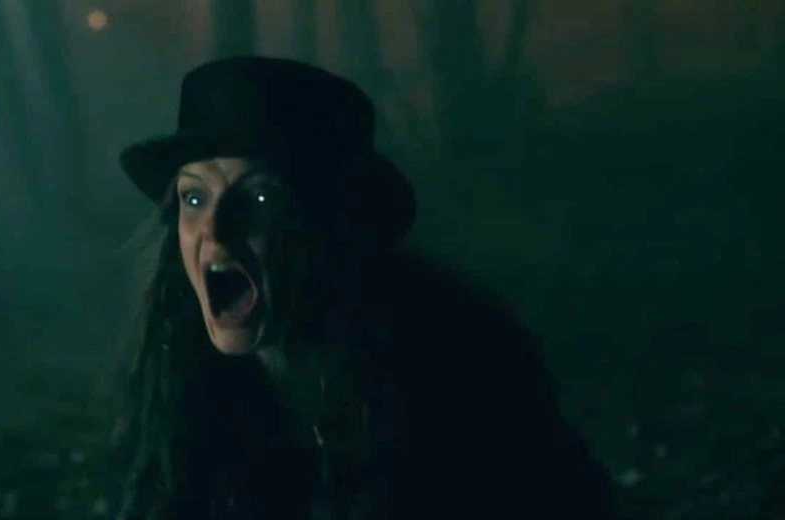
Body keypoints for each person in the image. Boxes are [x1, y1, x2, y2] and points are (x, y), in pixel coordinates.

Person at [111, 56, 617, 520]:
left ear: (330, 222)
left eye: (260, 196)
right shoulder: (177, 382)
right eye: (193, 198)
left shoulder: (462, 366)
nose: (215, 231)